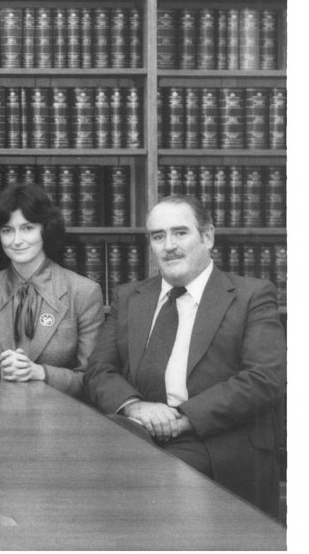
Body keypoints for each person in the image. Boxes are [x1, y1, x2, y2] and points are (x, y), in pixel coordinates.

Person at [84, 194, 285, 516]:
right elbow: (98, 370)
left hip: (217, 439)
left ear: (207, 237)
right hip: (137, 433)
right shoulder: (128, 297)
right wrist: (136, 406)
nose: (168, 245)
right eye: (158, 236)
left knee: (151, 489)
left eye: (180, 233)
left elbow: (264, 378)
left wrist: (185, 420)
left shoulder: (252, 296)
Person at [0, 182, 103, 399]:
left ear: (46, 229)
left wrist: (40, 372)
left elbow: (92, 380)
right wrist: (3, 372)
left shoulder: (84, 292)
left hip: (60, 421)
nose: (17, 240)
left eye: (28, 228)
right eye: (7, 231)